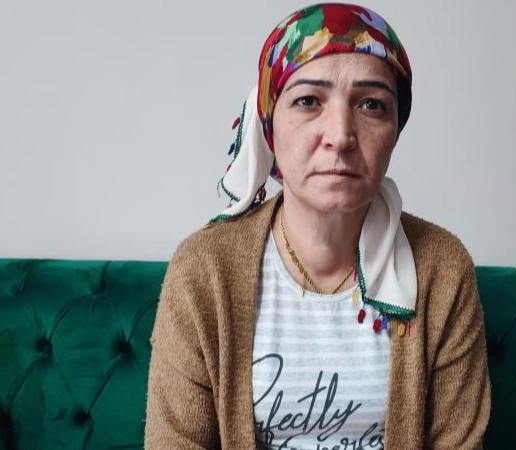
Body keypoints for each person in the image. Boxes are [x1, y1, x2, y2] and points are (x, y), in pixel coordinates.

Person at [144, 3, 490, 449]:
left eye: (371, 104)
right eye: (308, 101)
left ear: (395, 130)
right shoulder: (204, 269)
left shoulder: (441, 269)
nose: (340, 136)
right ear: (270, 126)